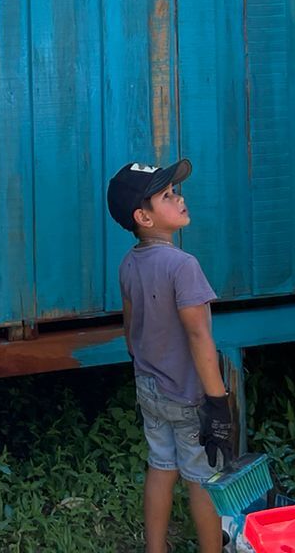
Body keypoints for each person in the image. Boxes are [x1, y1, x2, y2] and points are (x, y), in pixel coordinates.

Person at [106, 160, 235, 553]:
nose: (179, 198)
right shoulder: (184, 266)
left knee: (161, 467)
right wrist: (217, 402)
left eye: (174, 191)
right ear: (144, 217)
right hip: (189, 395)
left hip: (150, 388)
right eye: (166, 195)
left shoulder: (129, 263)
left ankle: (155, 548)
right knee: (204, 478)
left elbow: (131, 332)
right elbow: (199, 336)